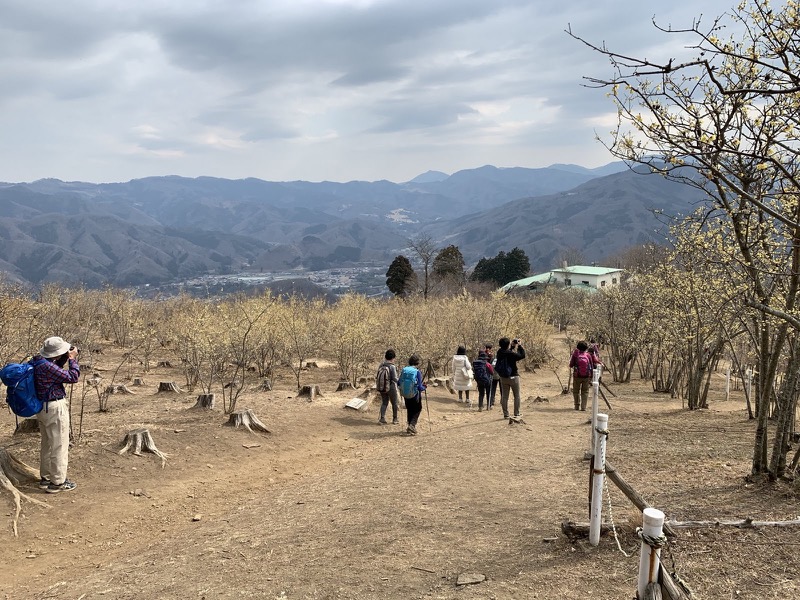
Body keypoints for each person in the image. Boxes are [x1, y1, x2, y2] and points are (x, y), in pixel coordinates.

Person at [33, 336, 80, 493]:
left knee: (47, 444)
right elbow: (73, 377)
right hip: (55, 407)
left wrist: (63, 358)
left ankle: (46, 478)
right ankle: (58, 482)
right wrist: (72, 360)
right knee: (59, 444)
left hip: (42, 408)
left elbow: (54, 372)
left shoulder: (37, 362)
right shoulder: (48, 367)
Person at [496, 337, 526, 419]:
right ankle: (516, 413)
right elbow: (522, 355)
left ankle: (506, 414)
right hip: (513, 376)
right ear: (508, 344)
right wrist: (519, 346)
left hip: (503, 377)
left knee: (505, 396)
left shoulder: (499, 352)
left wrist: (512, 347)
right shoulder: (510, 354)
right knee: (517, 395)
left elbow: (506, 352)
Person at [399, 354, 426, 435]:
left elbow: (398, 382)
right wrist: (424, 387)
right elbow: (420, 387)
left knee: (409, 409)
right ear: (417, 363)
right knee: (418, 409)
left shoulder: (404, 370)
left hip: (405, 394)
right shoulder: (417, 372)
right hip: (415, 395)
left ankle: (409, 426)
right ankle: (412, 425)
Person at [569, 340, 599, 411]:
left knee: (576, 391)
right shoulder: (588, 355)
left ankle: (576, 406)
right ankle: (583, 407)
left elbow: (571, 365)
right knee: (585, 391)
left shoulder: (575, 354)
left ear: (578, 347)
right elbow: (591, 366)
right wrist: (591, 376)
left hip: (577, 376)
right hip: (586, 376)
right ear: (586, 348)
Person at [377, 349, 400, 425]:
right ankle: (395, 419)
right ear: (393, 358)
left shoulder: (381, 365)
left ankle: (382, 418)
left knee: (384, 402)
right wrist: (400, 383)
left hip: (382, 386)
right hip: (391, 387)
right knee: (394, 403)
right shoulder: (392, 367)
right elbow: (394, 378)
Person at [484, 343, 499, 410]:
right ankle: (494, 402)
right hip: (494, 374)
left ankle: (491, 402)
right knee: (497, 388)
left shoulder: (483, 353)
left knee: (492, 389)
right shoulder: (491, 355)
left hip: (487, 373)